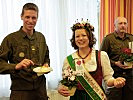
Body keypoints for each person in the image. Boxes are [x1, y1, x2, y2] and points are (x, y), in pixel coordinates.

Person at [58, 19, 126, 100]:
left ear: (89, 37)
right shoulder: (69, 59)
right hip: (77, 98)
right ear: (74, 39)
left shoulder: (101, 56)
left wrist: (115, 82)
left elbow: (108, 79)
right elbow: (65, 82)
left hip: (96, 97)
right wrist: (60, 88)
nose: (80, 38)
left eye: (84, 35)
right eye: (77, 36)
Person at [0, 3, 50, 100]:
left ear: (37, 18)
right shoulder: (10, 39)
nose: (30, 21)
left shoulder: (41, 38)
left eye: (34, 18)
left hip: (40, 91)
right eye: (27, 17)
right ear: (21, 17)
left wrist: (46, 65)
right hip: (20, 92)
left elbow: (46, 57)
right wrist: (16, 66)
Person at [100, 16, 133, 100]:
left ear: (127, 25)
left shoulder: (131, 38)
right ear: (115, 25)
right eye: (120, 23)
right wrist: (115, 63)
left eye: (125, 23)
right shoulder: (108, 39)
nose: (123, 25)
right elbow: (101, 58)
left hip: (130, 77)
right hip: (114, 76)